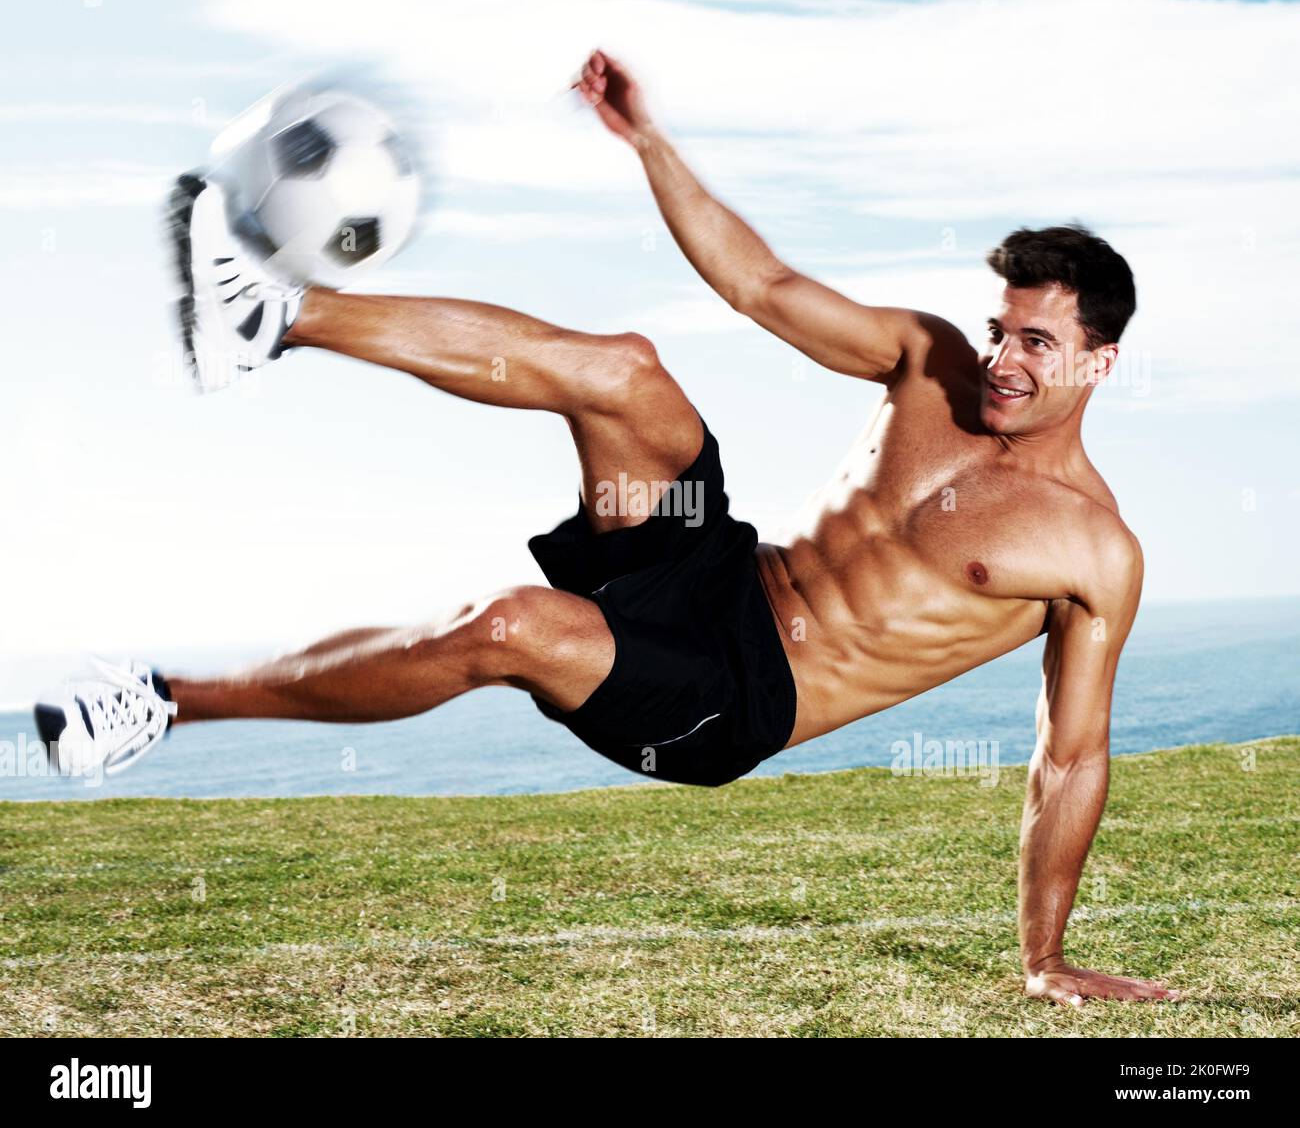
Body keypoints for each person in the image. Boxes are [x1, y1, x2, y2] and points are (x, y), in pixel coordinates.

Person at [35, 51, 1177, 1006]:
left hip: (734, 694)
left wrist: (1045, 957)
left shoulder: (1091, 553)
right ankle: (272, 314)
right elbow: (762, 286)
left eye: (1036, 344)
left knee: (511, 626)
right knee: (625, 370)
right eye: (1001, 330)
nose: (1003, 359)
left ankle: (160, 705)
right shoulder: (931, 361)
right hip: (714, 565)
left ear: (1099, 361)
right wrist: (648, 142)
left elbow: (1069, 756)